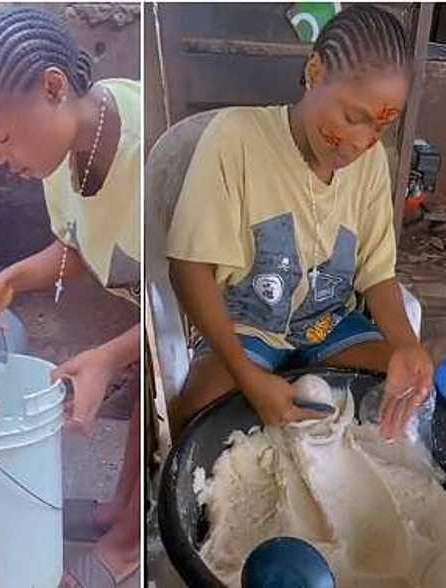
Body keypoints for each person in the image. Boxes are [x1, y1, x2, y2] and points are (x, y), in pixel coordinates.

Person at [166, 5, 432, 441]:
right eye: (353, 117)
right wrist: (250, 380)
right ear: (315, 71)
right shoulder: (237, 139)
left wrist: (406, 344)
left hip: (331, 325)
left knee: (403, 395)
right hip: (247, 327)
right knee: (194, 416)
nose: (362, 143)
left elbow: (377, 274)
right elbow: (188, 269)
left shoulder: (371, 166)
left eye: (381, 128)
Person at [0, 7, 140, 587]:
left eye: (3, 136)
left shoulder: (147, 153)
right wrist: (13, 278)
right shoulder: (65, 150)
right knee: (145, 390)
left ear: (54, 87)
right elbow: (82, 246)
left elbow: (189, 297)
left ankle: (131, 547)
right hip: (166, 307)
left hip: (228, 303)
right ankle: (119, 512)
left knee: (164, 390)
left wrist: (107, 357)